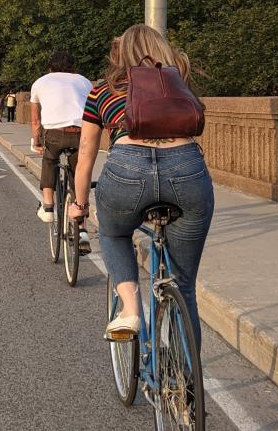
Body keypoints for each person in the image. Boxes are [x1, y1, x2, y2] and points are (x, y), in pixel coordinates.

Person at [69, 24, 214, 345]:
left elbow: (86, 154)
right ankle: (186, 388)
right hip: (186, 168)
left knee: (113, 232)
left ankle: (131, 307)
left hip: (127, 170)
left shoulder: (101, 90)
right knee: (184, 286)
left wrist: (79, 206)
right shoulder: (179, 82)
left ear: (120, 52)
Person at [29, 51, 94, 253]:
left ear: (51, 67)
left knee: (49, 159)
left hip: (54, 133)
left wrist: (36, 141)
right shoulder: (84, 82)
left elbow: (35, 121)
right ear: (72, 66)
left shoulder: (40, 83)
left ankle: (48, 206)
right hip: (81, 132)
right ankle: (82, 229)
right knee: (80, 173)